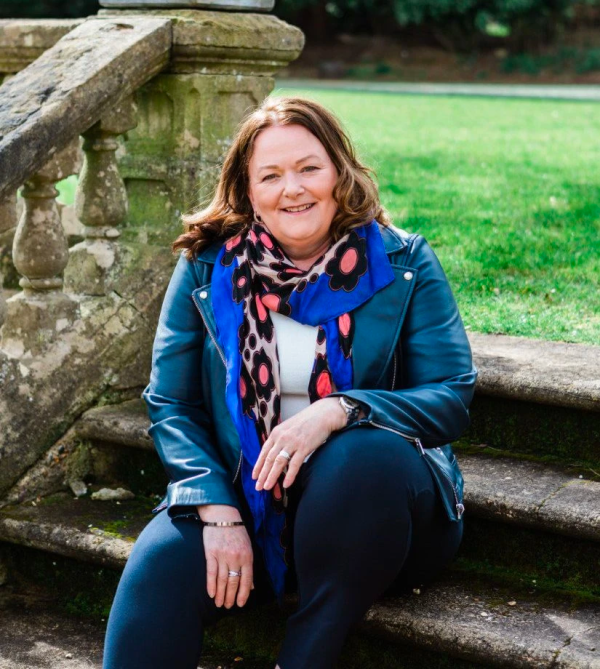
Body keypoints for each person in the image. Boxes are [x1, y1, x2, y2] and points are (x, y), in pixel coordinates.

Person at [102, 95, 477, 669]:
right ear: (247, 191)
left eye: (309, 168)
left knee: (362, 457)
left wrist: (339, 411)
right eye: (271, 175)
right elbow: (171, 403)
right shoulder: (207, 267)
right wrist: (216, 508)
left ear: (339, 173)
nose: (293, 189)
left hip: (377, 512)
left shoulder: (403, 263)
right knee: (155, 579)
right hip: (247, 498)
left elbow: (450, 395)